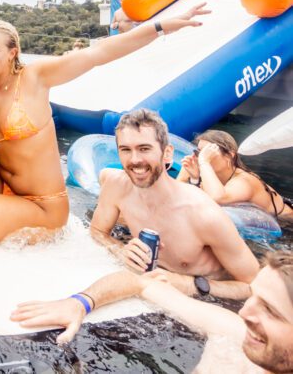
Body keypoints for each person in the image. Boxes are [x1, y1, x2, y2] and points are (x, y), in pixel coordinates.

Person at [0, 6, 209, 244]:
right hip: (2, 181)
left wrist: (159, 27)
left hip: (44, 204)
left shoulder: (35, 78)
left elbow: (98, 54)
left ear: (13, 52)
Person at [11, 252, 293, 374]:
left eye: (270, 310)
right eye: (253, 296)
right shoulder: (234, 334)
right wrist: (80, 302)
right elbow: (139, 282)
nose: (245, 312)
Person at [90, 109, 259, 299]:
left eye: (144, 149)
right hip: (150, 286)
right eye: (126, 150)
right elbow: (97, 231)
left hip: (204, 298)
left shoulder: (203, 214)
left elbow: (255, 286)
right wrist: (120, 250)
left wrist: (188, 284)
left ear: (167, 153)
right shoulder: (115, 185)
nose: (135, 160)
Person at [178, 129, 293, 219]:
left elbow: (218, 198)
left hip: (286, 223)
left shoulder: (244, 181)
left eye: (208, 153)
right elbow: (173, 194)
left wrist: (204, 162)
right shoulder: (206, 172)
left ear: (230, 155)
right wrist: (194, 178)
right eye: (198, 152)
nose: (201, 156)